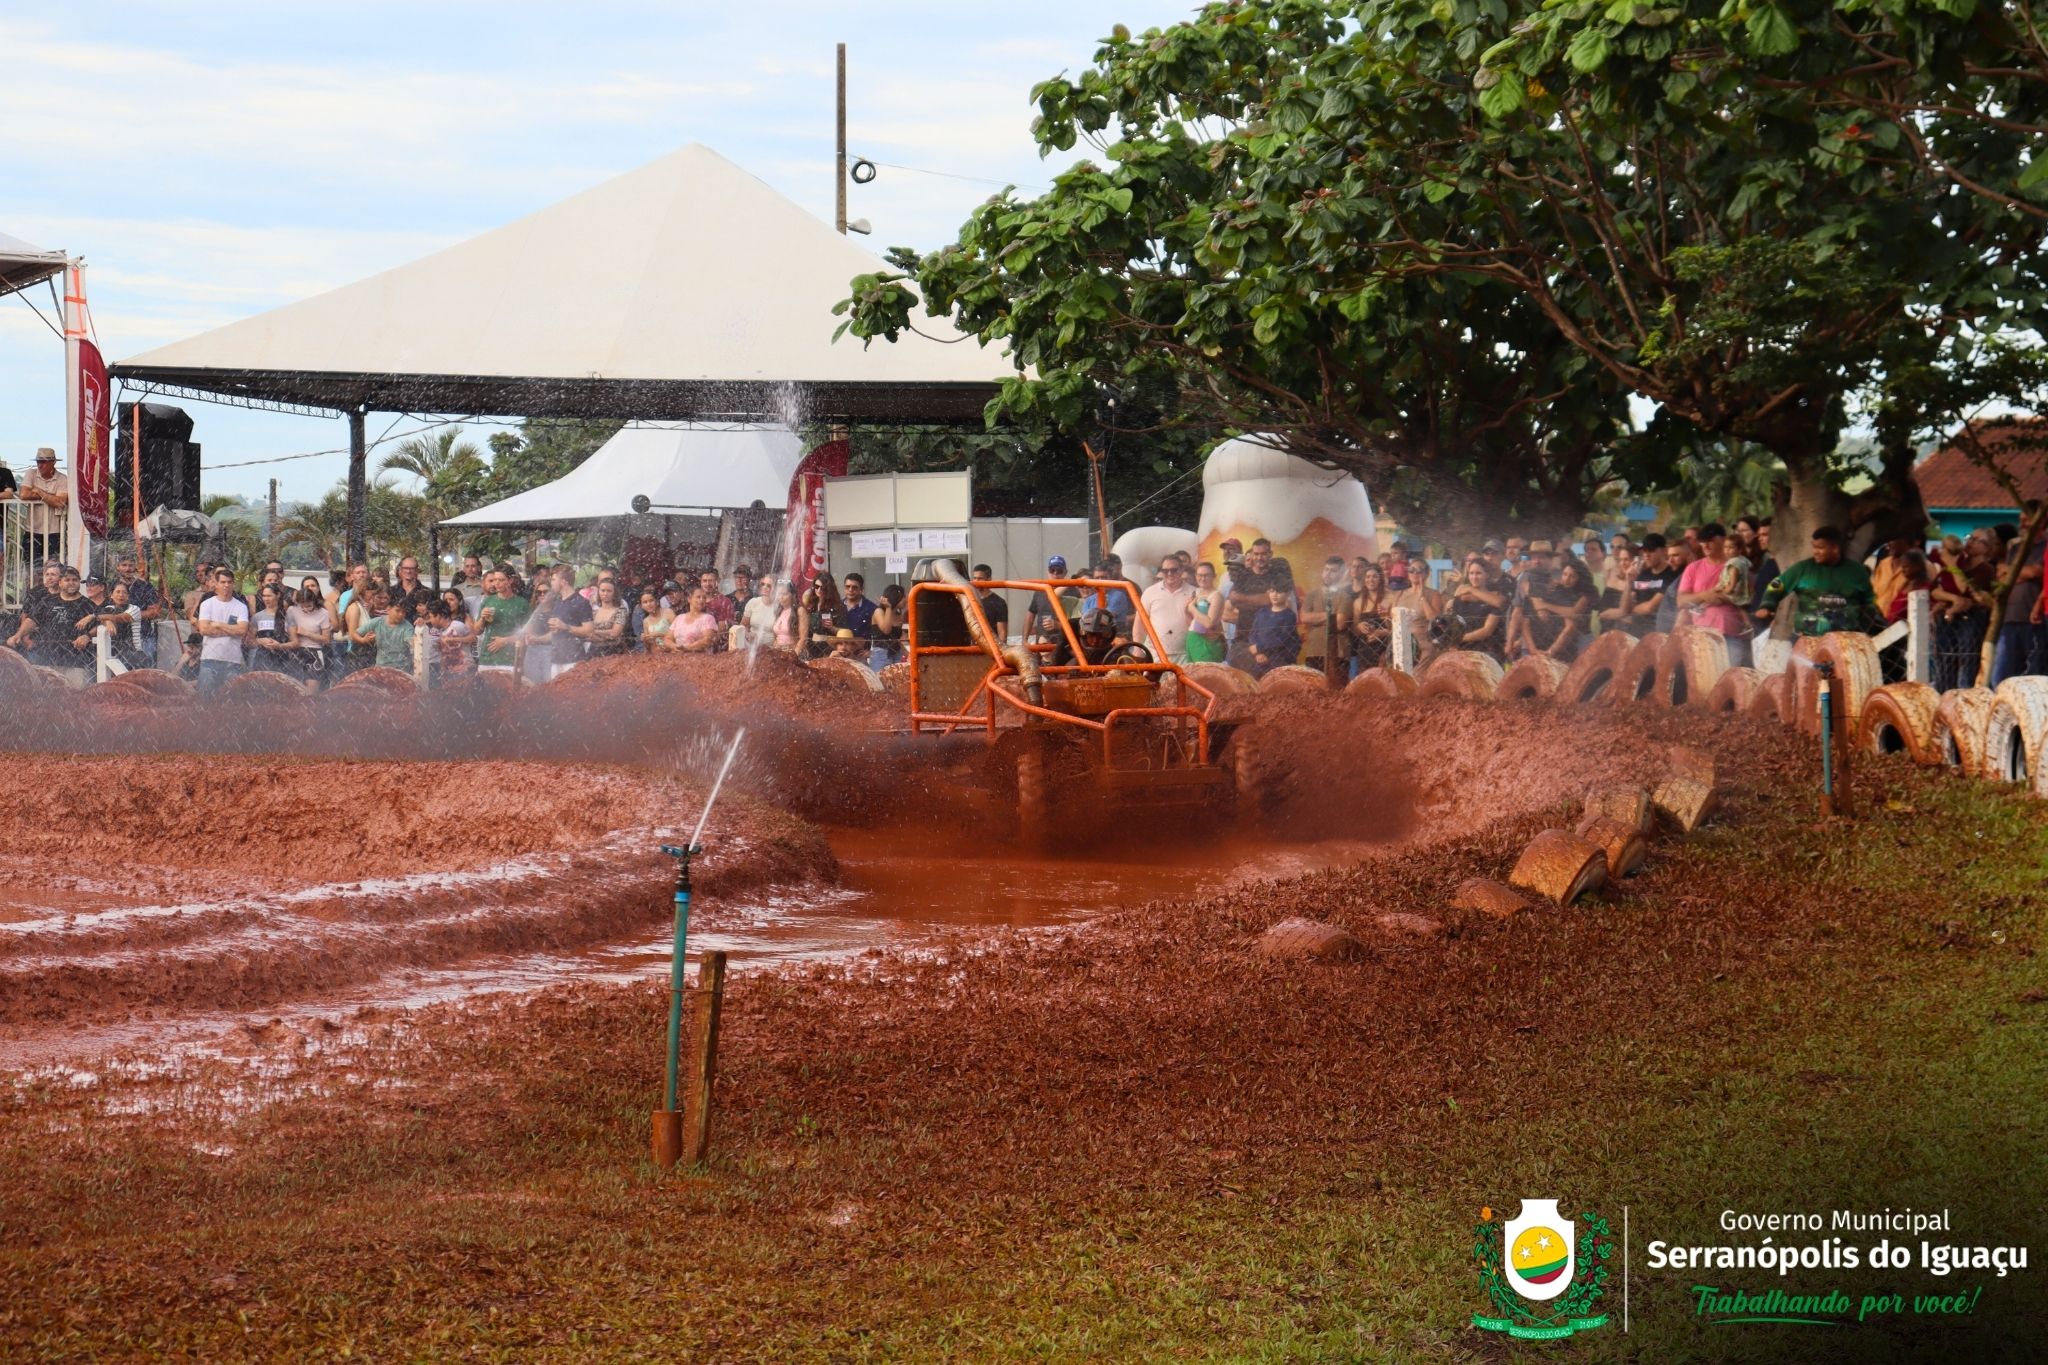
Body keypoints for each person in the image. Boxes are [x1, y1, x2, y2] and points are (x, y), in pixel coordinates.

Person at [1756, 525, 1878, 643]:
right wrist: (1767, 605)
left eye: (1820, 548)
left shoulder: (1857, 572)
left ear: (1835, 548)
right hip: (1806, 638)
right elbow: (1776, 585)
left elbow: (1869, 603)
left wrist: (1864, 630)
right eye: (1814, 547)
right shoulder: (1803, 569)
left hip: (1845, 641)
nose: (1815, 552)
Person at [194, 567, 251, 692]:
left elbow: (242, 630)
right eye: (223, 582)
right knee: (205, 696)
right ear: (216, 584)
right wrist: (232, 630)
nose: (226, 585)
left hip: (233, 660)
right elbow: (204, 630)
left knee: (231, 698)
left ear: (233, 584)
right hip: (210, 658)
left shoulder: (241, 606)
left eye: (229, 582)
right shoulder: (207, 604)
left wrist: (218, 624)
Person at [1613, 534, 1677, 639]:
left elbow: (1650, 607)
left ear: (1664, 551)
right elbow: (1624, 608)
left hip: (1657, 632)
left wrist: (1630, 611)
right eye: (1645, 551)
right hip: (1635, 631)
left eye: (1651, 550)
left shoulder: (1671, 575)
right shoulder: (1643, 574)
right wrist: (1629, 581)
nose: (1647, 555)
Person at [15, 448, 69, 567]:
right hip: (32, 530)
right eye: (38, 462)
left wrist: (39, 491)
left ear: (53, 462)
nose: (40, 465)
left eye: (43, 462)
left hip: (55, 532)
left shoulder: (62, 478)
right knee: (31, 568)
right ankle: (32, 586)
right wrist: (51, 498)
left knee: (55, 568)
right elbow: (23, 494)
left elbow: (60, 502)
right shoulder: (31, 473)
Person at [1047, 607, 1149, 668]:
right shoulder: (1069, 651)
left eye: (1100, 636)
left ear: (1109, 636)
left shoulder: (1117, 652)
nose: (1095, 640)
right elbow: (1055, 671)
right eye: (1091, 635)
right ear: (1083, 634)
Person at [1139, 556, 1196, 663]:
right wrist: (1138, 648)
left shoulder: (1194, 592)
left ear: (1181, 570)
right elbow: (1139, 624)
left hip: (1185, 655)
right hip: (1155, 655)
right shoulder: (1149, 592)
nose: (1170, 573)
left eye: (1174, 570)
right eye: (1165, 570)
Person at [1447, 559, 1506, 659]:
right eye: (1471, 573)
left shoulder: (1493, 599)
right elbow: (1454, 624)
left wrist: (1459, 638)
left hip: (1486, 651)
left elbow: (1487, 631)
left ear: (1487, 575)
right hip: (1462, 651)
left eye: (1478, 573)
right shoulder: (1460, 598)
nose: (1474, 577)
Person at [1341, 561, 1392, 674]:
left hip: (1387, 648)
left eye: (1375, 576)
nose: (1371, 580)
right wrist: (1359, 626)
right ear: (1364, 580)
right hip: (1366, 650)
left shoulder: (1390, 598)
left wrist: (1382, 632)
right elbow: (1354, 629)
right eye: (1368, 577)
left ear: (1381, 579)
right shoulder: (1358, 602)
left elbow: (1398, 629)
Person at [1244, 585, 1301, 677]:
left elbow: (1281, 640)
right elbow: (1253, 633)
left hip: (1279, 659)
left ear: (1287, 594)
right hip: (1259, 658)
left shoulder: (1289, 616)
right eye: (1272, 591)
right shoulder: (1262, 612)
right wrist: (1258, 653)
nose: (1275, 595)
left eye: (1279, 591)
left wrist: (1259, 648)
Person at [284, 583, 334, 688]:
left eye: (309, 606)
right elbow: (288, 631)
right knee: (294, 687)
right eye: (302, 606)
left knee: (311, 690)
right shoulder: (292, 610)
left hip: (314, 652)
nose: (306, 609)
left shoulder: (323, 613)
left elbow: (326, 639)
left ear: (314, 602)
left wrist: (307, 633)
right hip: (296, 651)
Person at [1025, 556, 1077, 645]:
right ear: (1048, 572)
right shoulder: (1040, 590)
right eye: (1052, 570)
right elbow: (1030, 616)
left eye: (1059, 571)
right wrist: (1024, 640)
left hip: (1064, 644)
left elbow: (1078, 623)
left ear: (1065, 572)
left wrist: (1059, 625)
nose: (1055, 574)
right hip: (1042, 642)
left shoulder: (1074, 591)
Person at [1184, 561, 1228, 663]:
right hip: (1193, 638)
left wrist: (1191, 608)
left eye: (1206, 575)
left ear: (1214, 576)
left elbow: (1209, 623)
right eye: (1200, 575)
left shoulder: (1216, 595)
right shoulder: (1196, 592)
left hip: (1207, 641)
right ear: (1195, 576)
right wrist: (1187, 610)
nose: (1203, 578)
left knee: (1206, 675)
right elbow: (1190, 621)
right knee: (1192, 675)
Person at [248, 582, 295, 675]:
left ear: (278, 595)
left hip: (283, 661)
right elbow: (249, 641)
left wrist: (279, 646)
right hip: (262, 660)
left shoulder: (287, 617)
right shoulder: (258, 616)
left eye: (269, 596)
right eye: (264, 596)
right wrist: (261, 641)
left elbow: (296, 642)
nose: (266, 599)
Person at [582, 578, 632, 657]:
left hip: (614, 652)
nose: (605, 594)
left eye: (609, 591)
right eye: (603, 590)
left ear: (614, 593)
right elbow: (586, 634)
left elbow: (615, 633)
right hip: (594, 652)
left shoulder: (621, 611)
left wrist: (594, 632)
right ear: (599, 592)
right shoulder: (594, 612)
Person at [369, 592, 416, 672]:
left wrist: (413, 643)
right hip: (381, 668)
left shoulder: (408, 627)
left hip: (401, 670)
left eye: (403, 612)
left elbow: (411, 642)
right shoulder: (377, 622)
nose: (401, 614)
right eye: (397, 611)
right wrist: (364, 639)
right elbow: (355, 634)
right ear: (388, 609)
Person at [673, 586, 719, 652]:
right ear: (689, 599)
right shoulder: (679, 618)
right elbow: (668, 638)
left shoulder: (708, 618)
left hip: (699, 659)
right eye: (698, 597)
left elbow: (707, 640)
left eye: (704, 598)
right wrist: (674, 647)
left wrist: (687, 648)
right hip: (678, 656)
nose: (702, 600)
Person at [970, 564, 1009, 640]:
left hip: (990, 647)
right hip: (971, 647)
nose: (976, 581)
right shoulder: (969, 598)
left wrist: (1000, 650)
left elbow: (1002, 632)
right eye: (974, 578)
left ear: (989, 579)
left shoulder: (999, 603)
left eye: (980, 578)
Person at [840, 573, 878, 642]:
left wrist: (871, 650)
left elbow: (878, 635)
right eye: (847, 586)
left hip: (861, 651)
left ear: (861, 590)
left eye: (854, 587)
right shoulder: (837, 606)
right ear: (844, 588)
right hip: (840, 650)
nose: (850, 590)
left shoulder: (871, 608)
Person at [637, 587, 674, 652]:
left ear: (657, 601)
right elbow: (648, 648)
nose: (649, 604)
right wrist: (645, 640)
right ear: (641, 606)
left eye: (651, 600)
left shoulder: (668, 612)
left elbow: (678, 634)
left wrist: (658, 634)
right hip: (657, 655)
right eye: (645, 602)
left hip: (672, 652)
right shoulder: (646, 621)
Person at [771, 581, 803, 652]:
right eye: (779, 594)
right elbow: (776, 637)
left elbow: (803, 639)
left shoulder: (799, 610)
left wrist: (794, 656)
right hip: (778, 652)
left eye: (784, 594)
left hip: (792, 652)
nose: (781, 597)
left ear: (793, 595)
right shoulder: (779, 611)